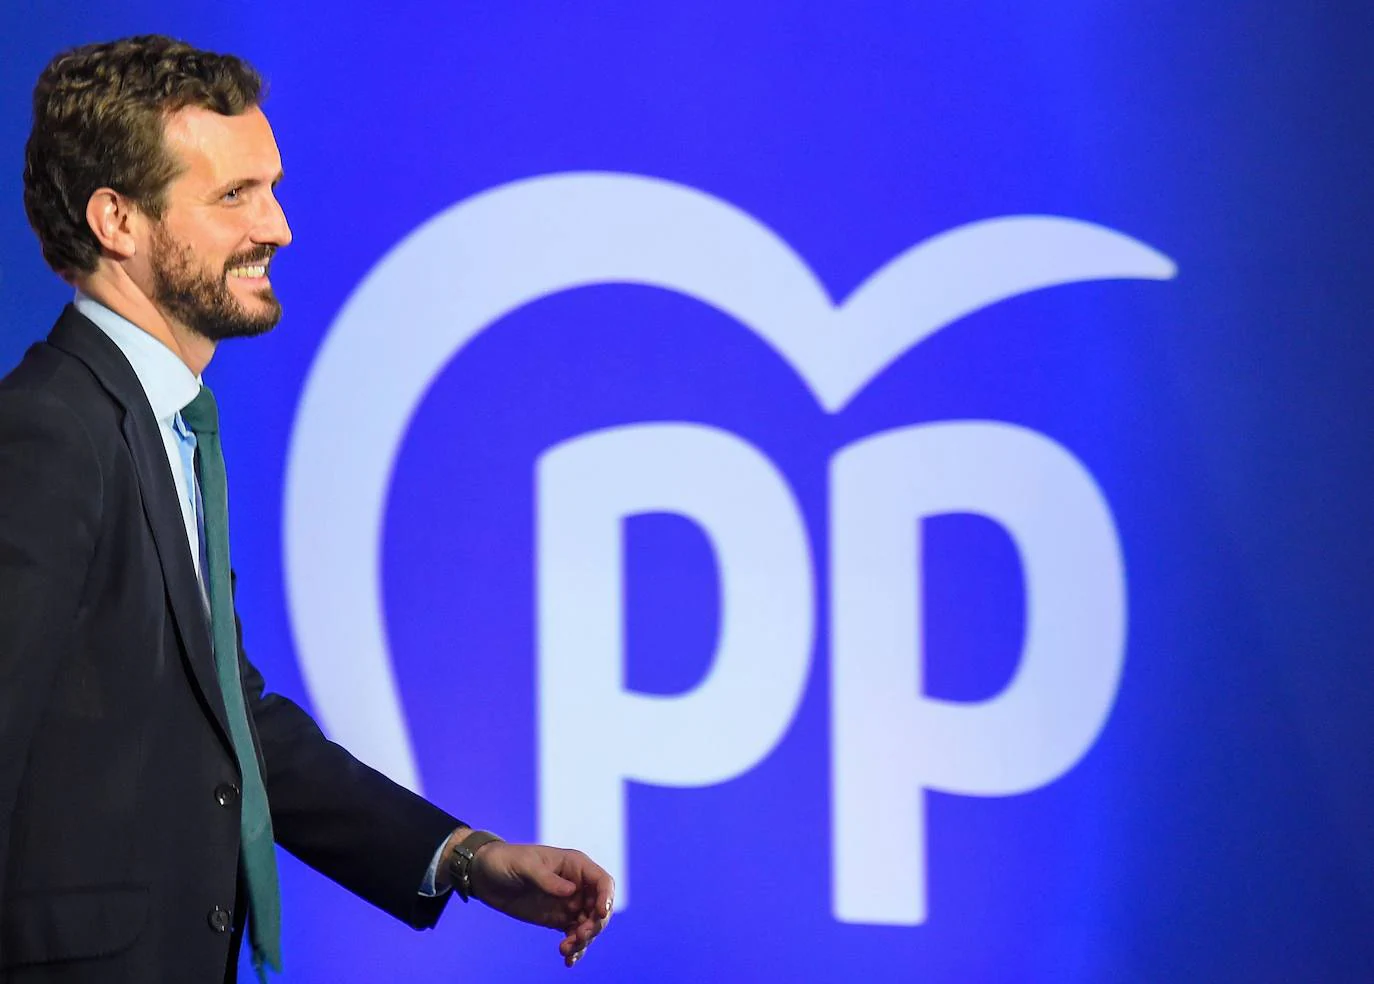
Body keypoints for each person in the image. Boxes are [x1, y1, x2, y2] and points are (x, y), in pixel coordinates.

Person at [0, 35, 612, 983]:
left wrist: (462, 858)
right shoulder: (47, 435)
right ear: (117, 220)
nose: (277, 227)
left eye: (272, 187)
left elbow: (228, 720)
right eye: (234, 196)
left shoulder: (161, 425)